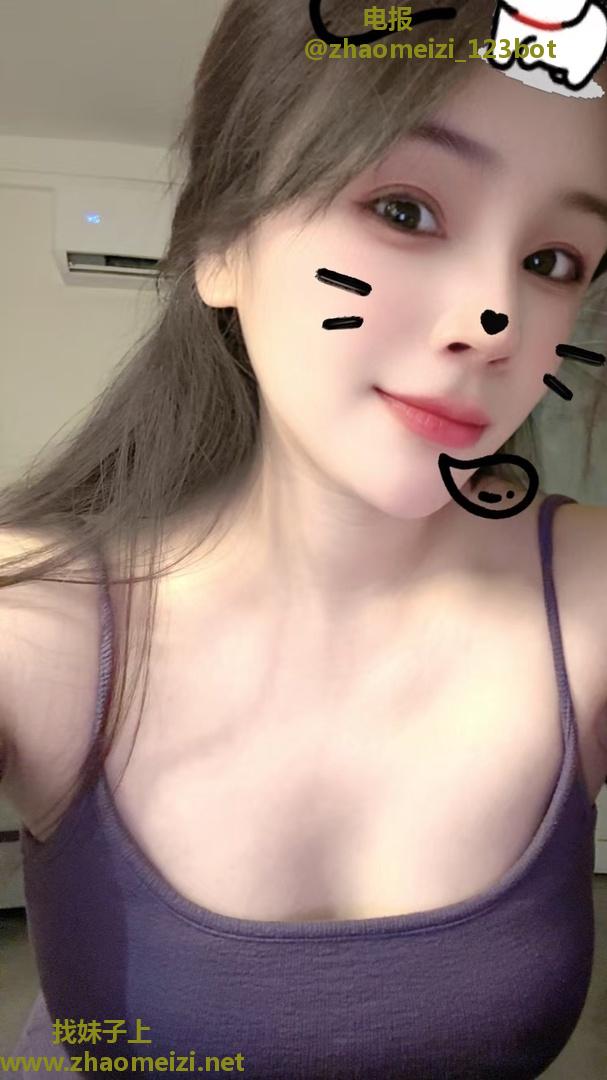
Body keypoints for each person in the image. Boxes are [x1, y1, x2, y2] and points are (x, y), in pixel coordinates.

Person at [1, 1, 607, 1077]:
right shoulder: (34, 618)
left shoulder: (588, 596)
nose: (495, 323)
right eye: (405, 209)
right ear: (220, 244)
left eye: (554, 260)